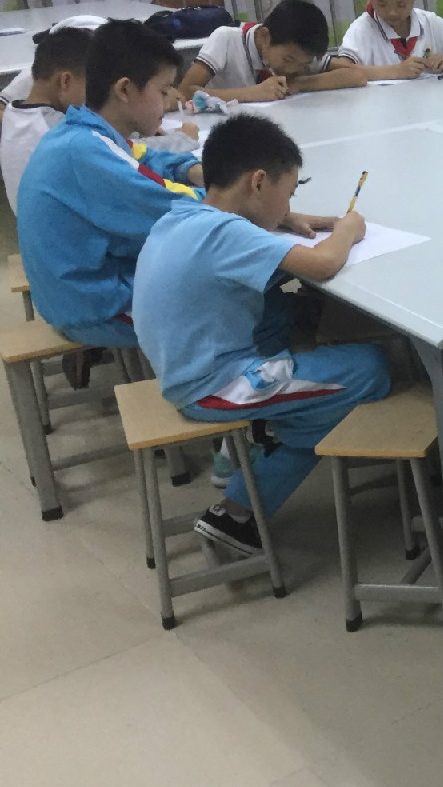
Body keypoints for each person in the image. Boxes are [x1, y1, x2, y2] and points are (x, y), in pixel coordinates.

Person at [132, 114, 390, 556]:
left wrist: (282, 221)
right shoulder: (227, 233)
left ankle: (254, 447)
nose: (287, 207)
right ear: (257, 182)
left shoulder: (186, 213)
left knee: (289, 311)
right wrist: (347, 230)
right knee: (370, 368)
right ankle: (240, 505)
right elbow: (324, 263)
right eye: (287, 195)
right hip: (213, 386)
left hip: (180, 364)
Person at [16, 20, 206, 353]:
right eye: (163, 91)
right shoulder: (82, 152)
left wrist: (190, 169)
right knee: (245, 304)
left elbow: (145, 158)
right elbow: (176, 212)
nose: (167, 103)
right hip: (96, 308)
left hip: (75, 292)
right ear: (124, 90)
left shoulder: (85, 131)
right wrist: (235, 195)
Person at [180, 0, 364, 103]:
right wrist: (252, 93)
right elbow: (185, 91)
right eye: (287, 60)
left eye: (303, 65)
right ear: (264, 36)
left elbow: (356, 76)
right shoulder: (226, 40)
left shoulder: (300, 53)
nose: (292, 69)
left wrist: (300, 83)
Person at [3, 28, 91, 213]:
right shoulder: (58, 132)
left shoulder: (13, 113)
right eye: (90, 87)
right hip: (63, 226)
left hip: (29, 222)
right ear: (65, 81)